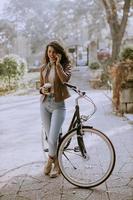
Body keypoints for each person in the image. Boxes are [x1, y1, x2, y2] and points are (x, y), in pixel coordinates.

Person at [40, 41, 71, 178]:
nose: (51, 54)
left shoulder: (65, 66)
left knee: (53, 138)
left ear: (59, 53)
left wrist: (58, 65)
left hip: (59, 105)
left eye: (53, 51)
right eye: (49, 52)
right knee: (49, 137)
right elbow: (40, 87)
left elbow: (64, 80)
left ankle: (49, 160)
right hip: (45, 104)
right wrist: (41, 90)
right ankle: (57, 165)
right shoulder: (44, 68)